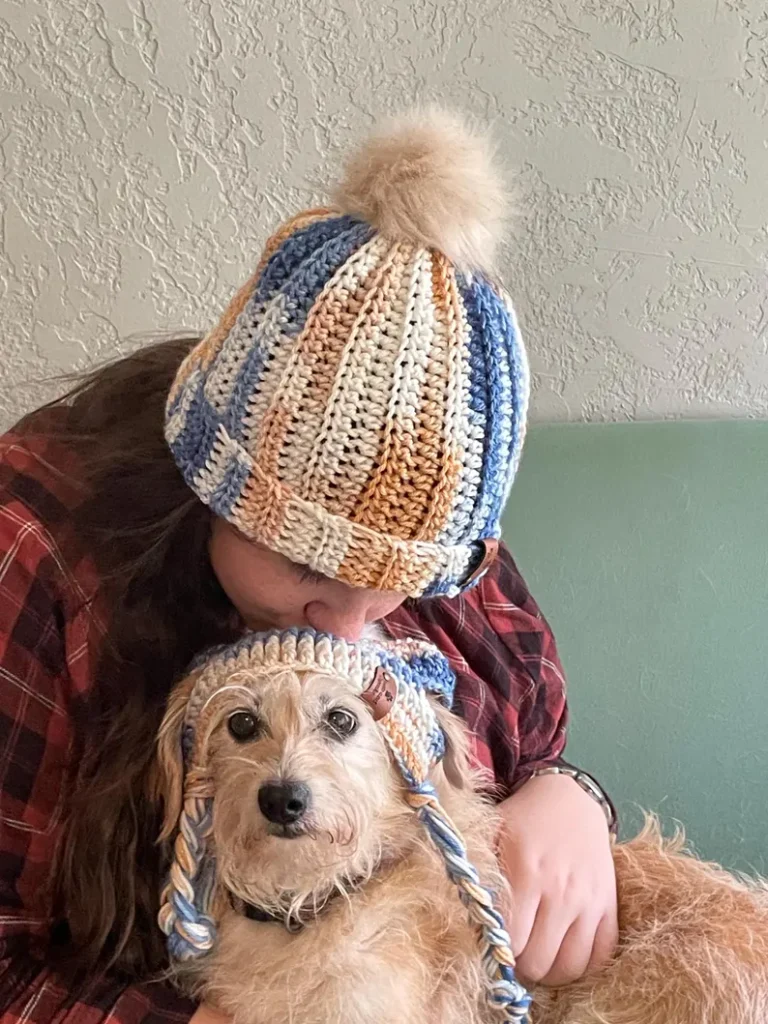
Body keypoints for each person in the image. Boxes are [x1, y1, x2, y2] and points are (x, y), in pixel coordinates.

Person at [0, 110, 617, 1024]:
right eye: (306, 566)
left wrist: (571, 795)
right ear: (206, 485)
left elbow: (530, 732)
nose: (347, 626)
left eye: (395, 581)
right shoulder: (36, 559)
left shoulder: (428, 534)